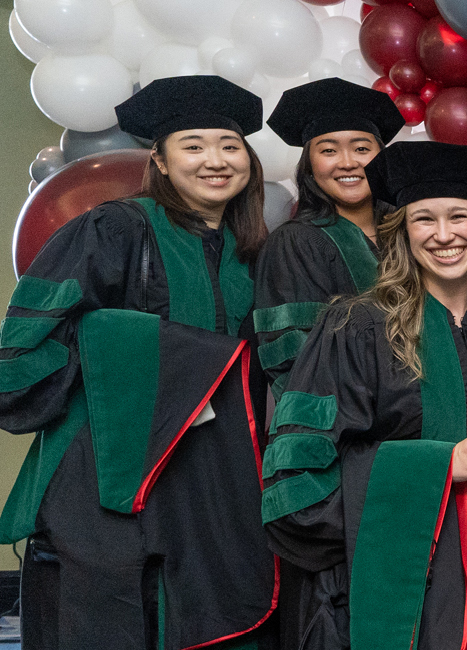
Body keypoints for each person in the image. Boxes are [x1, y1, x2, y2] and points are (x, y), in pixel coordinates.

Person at [0, 75, 276, 648]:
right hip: (106, 468)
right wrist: (159, 360)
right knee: (107, 615)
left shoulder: (254, 254)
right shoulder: (115, 228)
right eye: (193, 146)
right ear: (161, 158)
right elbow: (30, 343)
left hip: (211, 473)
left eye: (229, 146)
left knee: (205, 609)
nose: (215, 161)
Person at [261, 141, 467, 649]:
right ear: (403, 235)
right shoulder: (354, 328)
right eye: (424, 220)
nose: (444, 235)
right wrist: (437, 465)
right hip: (380, 580)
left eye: (460, 217)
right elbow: (294, 484)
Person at [256, 77, 406, 395]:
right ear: (309, 165)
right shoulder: (296, 243)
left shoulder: (412, 235)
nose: (348, 162)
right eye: (328, 150)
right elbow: (295, 361)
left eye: (362, 148)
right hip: (353, 429)